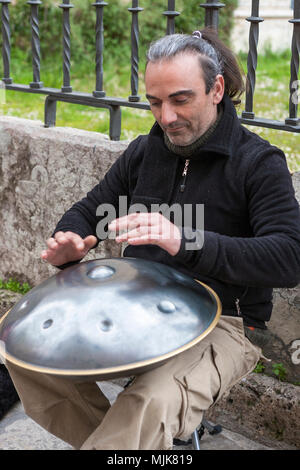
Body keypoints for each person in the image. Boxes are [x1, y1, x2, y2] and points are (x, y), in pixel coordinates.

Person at [6, 29, 300, 450]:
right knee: (28, 358)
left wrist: (186, 242)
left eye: (180, 99)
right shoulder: (146, 152)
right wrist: (70, 240)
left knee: (149, 402)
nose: (166, 117)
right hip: (136, 310)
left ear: (216, 89)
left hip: (225, 325)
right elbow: (89, 210)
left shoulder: (258, 163)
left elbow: (289, 257)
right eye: (155, 102)